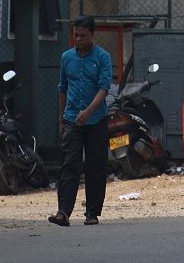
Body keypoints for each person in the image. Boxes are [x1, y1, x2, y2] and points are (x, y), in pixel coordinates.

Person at [48, 15, 112, 227]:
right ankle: (63, 212)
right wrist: (61, 119)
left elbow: (104, 88)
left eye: (82, 35)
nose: (78, 39)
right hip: (72, 120)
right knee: (70, 165)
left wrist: (89, 111)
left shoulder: (103, 57)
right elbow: (62, 89)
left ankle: (92, 213)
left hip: (97, 120)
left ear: (92, 35)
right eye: (75, 35)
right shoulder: (66, 58)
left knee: (95, 166)